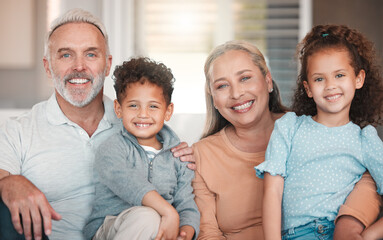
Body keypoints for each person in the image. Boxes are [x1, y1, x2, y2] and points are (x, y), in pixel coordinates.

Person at [0, 9, 193, 240]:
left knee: (149, 217)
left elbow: (177, 179)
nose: (79, 66)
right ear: (48, 67)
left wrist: (185, 155)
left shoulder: (139, 122)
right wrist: (7, 182)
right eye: (66, 55)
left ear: (108, 64)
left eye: (91, 55)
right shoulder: (17, 131)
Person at [255, 24, 383, 240]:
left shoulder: (364, 138)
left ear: (358, 79)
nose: (330, 85)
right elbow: (272, 191)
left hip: (337, 233)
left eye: (340, 75)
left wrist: (370, 235)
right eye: (319, 79)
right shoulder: (290, 127)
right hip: (295, 235)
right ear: (308, 88)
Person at [83, 57, 200, 240]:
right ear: (118, 108)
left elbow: (186, 204)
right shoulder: (112, 149)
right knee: (148, 216)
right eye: (133, 105)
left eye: (153, 106)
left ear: (168, 111)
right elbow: (130, 184)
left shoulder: (178, 156)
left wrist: (184, 233)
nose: (143, 114)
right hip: (111, 227)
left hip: (159, 231)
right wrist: (169, 212)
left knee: (158, 222)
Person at [191, 40, 288, 239]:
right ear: (214, 99)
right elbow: (208, 233)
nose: (236, 93)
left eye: (245, 78)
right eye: (222, 86)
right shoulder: (201, 155)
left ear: (268, 81)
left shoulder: (305, 130)